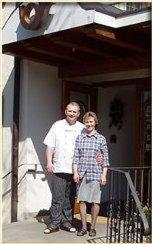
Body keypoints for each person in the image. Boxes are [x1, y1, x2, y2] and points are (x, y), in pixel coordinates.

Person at [43, 102, 84, 234]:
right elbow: (50, 145)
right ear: (65, 111)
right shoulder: (57, 125)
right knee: (57, 197)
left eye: (74, 112)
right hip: (59, 167)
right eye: (70, 111)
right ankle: (54, 223)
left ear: (78, 114)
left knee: (70, 197)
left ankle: (66, 222)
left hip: (74, 170)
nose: (72, 114)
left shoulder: (82, 128)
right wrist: (49, 162)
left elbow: (89, 146)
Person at [73, 111, 109, 237]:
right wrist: (75, 172)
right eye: (87, 122)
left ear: (95, 123)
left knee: (95, 202)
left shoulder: (100, 138)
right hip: (82, 173)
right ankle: (83, 227)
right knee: (82, 201)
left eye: (91, 121)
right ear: (84, 123)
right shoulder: (80, 137)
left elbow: (105, 159)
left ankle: (92, 228)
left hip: (96, 173)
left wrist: (104, 175)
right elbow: (76, 157)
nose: (89, 124)